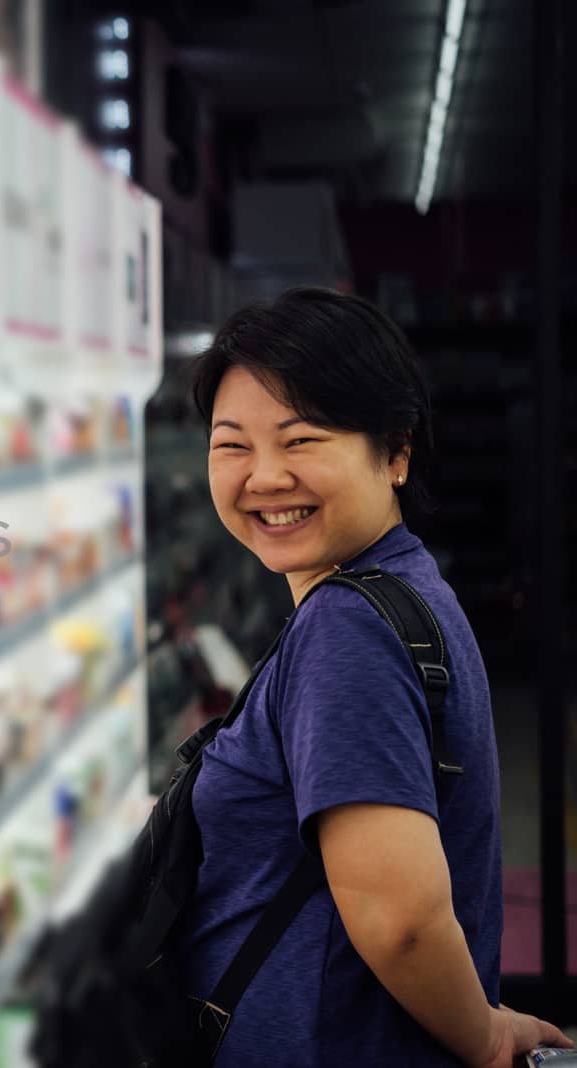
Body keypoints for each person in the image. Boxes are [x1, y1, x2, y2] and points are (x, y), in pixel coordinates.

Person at [178, 287, 569, 1066]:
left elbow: (401, 919)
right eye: (233, 445)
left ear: (395, 452)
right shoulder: (402, 587)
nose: (264, 477)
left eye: (302, 440)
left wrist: (487, 1038)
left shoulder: (347, 627)